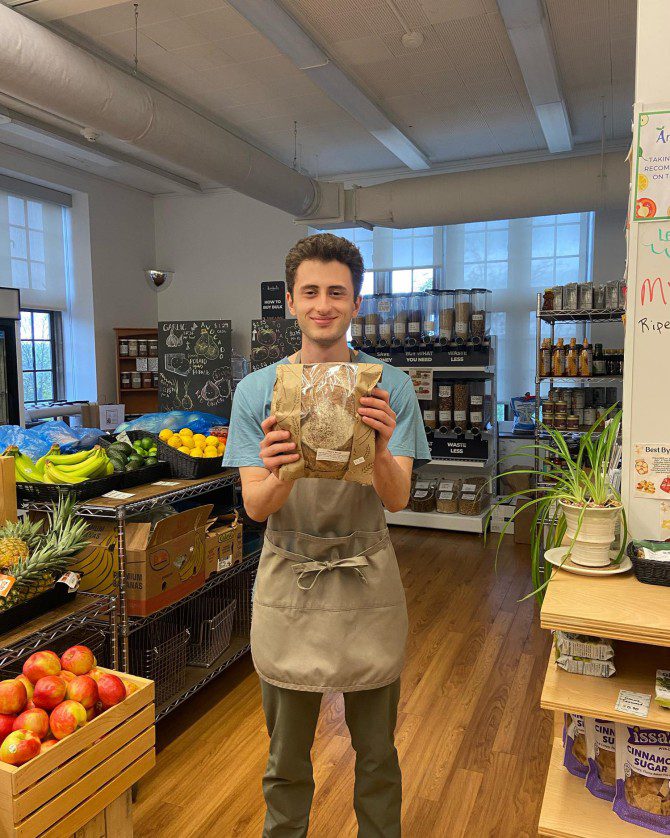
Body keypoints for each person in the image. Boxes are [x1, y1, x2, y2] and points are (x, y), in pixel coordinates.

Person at [223, 233, 430, 837]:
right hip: (290, 579)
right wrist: (280, 470)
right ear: (289, 301)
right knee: (286, 759)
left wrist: (382, 448)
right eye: (310, 292)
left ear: (356, 303)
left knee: (378, 754)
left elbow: (397, 497)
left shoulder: (389, 387)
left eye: (336, 292)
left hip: (367, 578)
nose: (323, 305)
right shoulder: (257, 392)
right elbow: (256, 508)